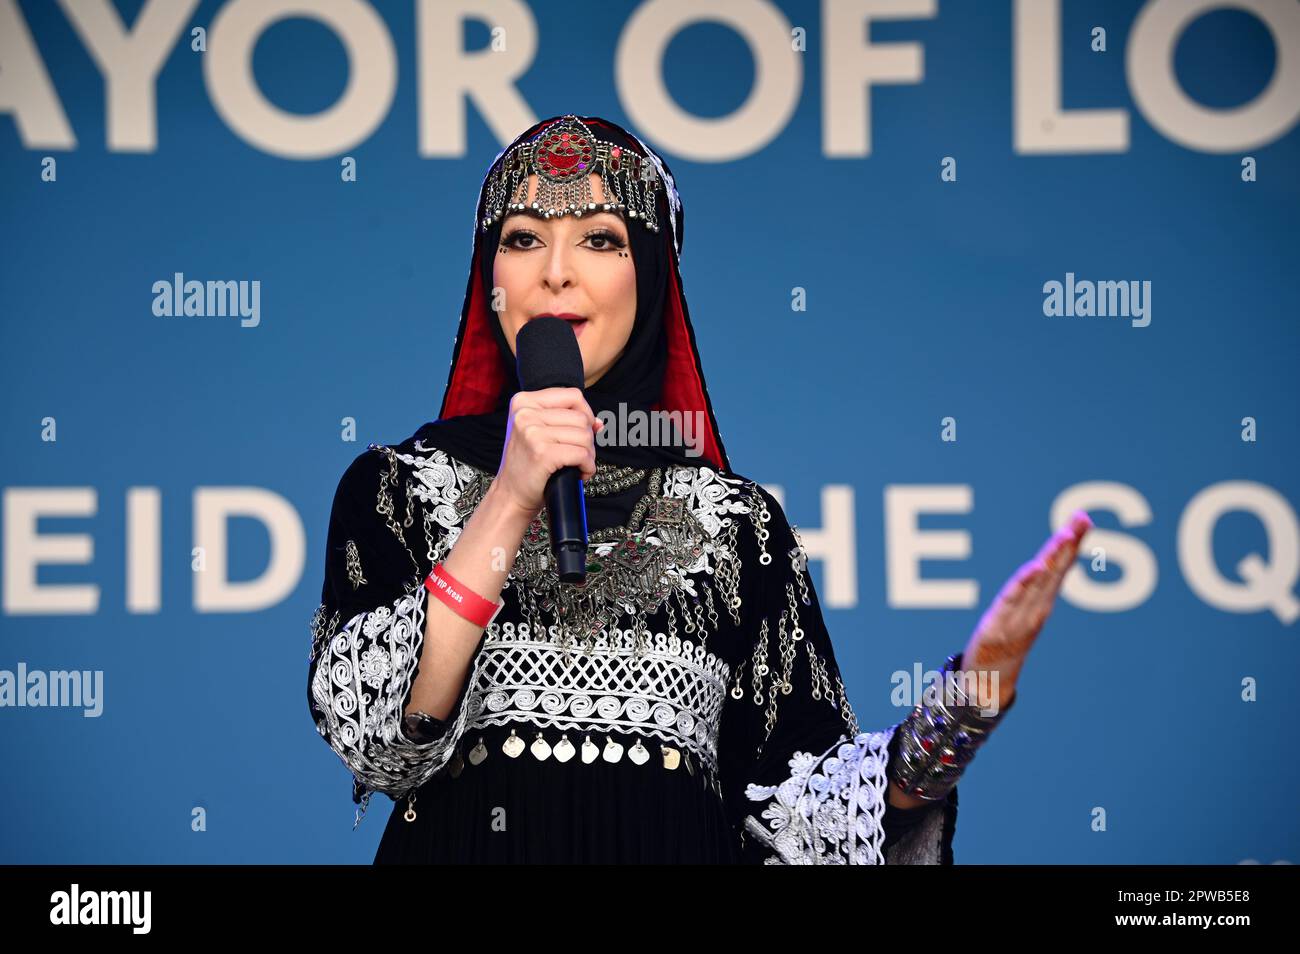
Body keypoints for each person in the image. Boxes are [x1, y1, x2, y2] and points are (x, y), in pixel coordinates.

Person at [306, 114, 1092, 864]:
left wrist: (954, 715)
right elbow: (382, 742)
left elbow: (800, 821)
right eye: (522, 239)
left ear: (651, 279)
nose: (555, 271)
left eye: (600, 239)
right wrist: (510, 497)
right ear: (490, 278)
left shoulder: (738, 529)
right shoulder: (398, 490)